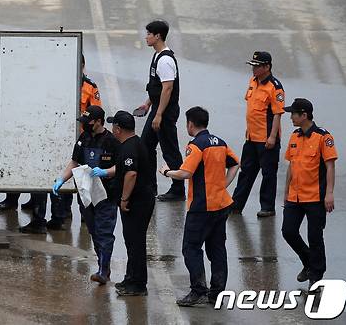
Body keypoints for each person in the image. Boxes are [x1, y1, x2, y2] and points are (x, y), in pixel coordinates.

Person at [0, 54, 102, 213]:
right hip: (53, 132)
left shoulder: (89, 87)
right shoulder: (56, 81)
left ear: (82, 66)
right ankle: (22, 200)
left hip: (76, 136)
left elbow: (97, 112)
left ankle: (65, 212)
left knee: (71, 172)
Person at [159, 107, 240, 306]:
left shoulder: (196, 146)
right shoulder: (219, 142)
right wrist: (223, 184)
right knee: (217, 248)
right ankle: (217, 291)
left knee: (191, 248)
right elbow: (236, 163)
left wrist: (167, 172)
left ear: (190, 124)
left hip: (202, 207)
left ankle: (198, 290)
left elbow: (186, 173)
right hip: (221, 204)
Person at [42, 105, 120, 283]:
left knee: (104, 232)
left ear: (99, 122)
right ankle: (102, 265)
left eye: (89, 122)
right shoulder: (83, 137)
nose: (85, 125)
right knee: (93, 231)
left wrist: (106, 172)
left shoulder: (112, 141)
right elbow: (75, 162)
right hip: (86, 195)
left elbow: (121, 167)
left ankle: (103, 270)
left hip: (106, 195)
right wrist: (61, 179)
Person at [281, 98, 337, 290]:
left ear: (304, 115)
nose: (290, 117)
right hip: (294, 196)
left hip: (315, 197)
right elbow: (291, 166)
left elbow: (330, 167)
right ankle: (308, 262)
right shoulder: (294, 136)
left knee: (315, 237)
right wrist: (286, 190)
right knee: (288, 231)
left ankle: (316, 275)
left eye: (293, 114)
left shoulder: (323, 137)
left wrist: (329, 193)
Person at [106, 111, 155, 297]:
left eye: (113, 126)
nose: (112, 129)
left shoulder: (129, 148)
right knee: (131, 241)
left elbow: (131, 174)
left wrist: (124, 199)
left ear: (118, 129)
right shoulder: (134, 142)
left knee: (135, 243)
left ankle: (138, 284)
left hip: (137, 202)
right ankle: (131, 277)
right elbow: (123, 168)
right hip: (139, 200)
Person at [231, 51, 285, 217]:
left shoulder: (275, 87)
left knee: (268, 174)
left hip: (267, 139)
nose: (253, 69)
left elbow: (277, 114)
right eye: (253, 65)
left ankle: (267, 207)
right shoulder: (253, 82)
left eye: (257, 66)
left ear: (267, 67)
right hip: (251, 137)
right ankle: (236, 205)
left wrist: (272, 137)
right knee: (246, 172)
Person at [136, 20, 184, 202]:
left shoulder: (165, 59)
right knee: (146, 146)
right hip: (157, 108)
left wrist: (158, 115)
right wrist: (148, 103)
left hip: (165, 111)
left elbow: (168, 89)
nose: (146, 37)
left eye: (149, 34)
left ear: (158, 36)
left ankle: (178, 188)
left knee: (169, 149)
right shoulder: (158, 56)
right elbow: (157, 87)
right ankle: (150, 186)